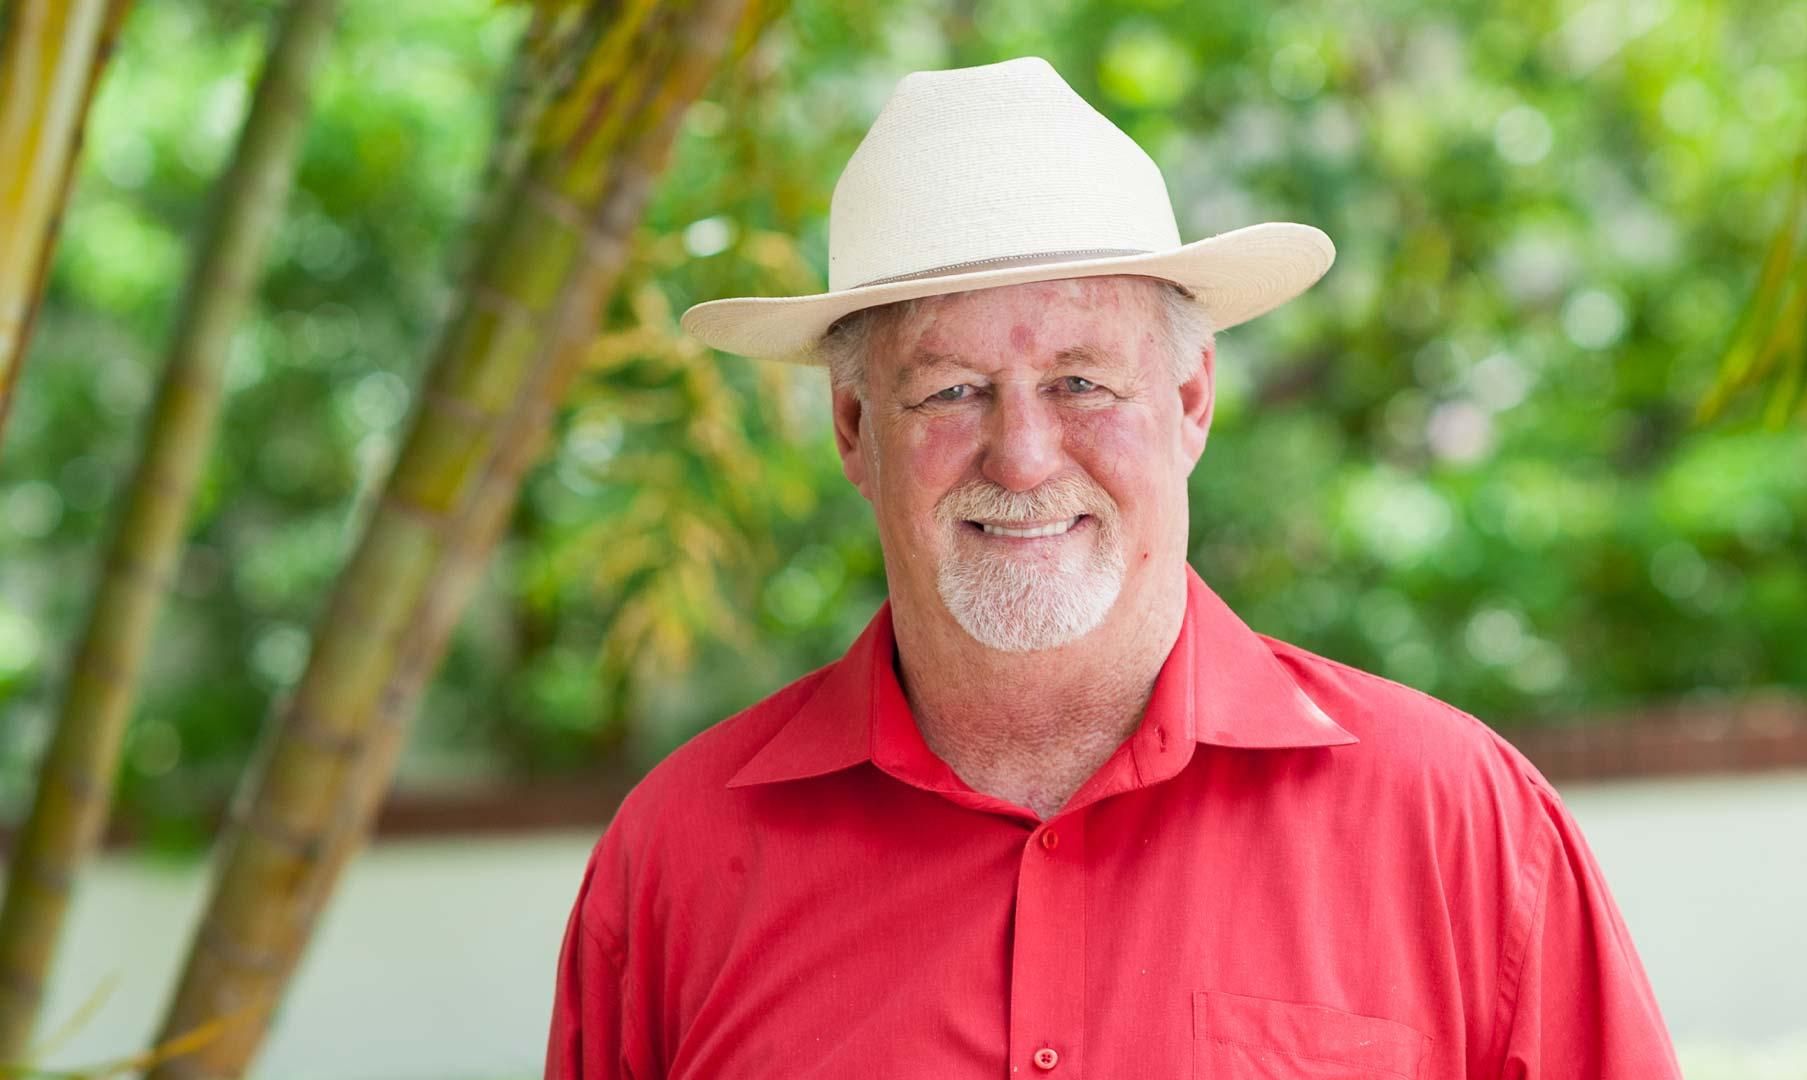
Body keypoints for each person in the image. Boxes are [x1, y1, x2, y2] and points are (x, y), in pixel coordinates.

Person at [544, 56, 1680, 1079]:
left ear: (1190, 401)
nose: (1024, 457)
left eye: (1082, 382)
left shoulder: (1458, 825)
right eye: (950, 390)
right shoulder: (674, 866)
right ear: (853, 430)